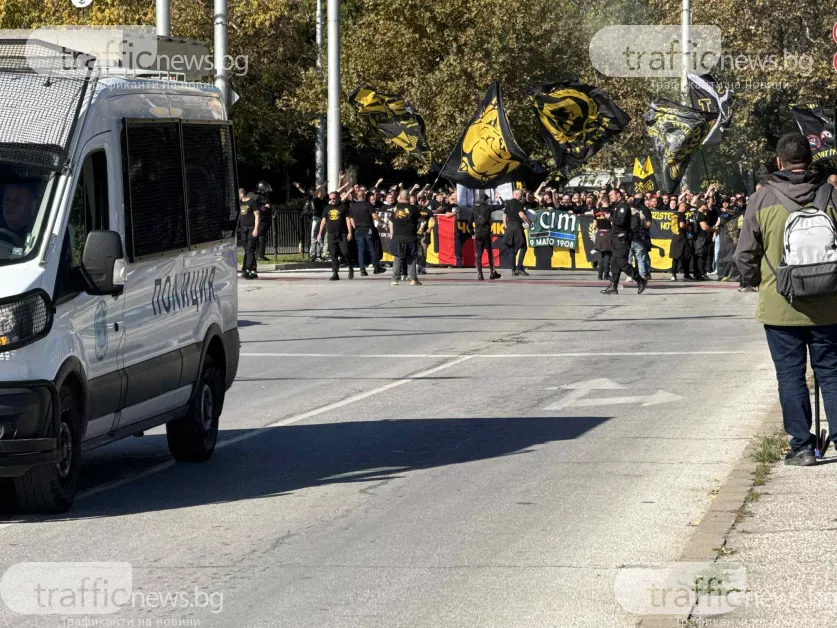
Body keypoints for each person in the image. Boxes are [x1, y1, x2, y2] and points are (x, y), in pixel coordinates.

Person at [735, 132, 837, 466]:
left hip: (781, 304)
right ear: (810, 159)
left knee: (790, 377)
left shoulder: (762, 200)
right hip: (828, 303)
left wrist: (754, 281)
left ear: (779, 161)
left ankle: (802, 447)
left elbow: (745, 254)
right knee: (832, 374)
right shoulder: (830, 195)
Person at [601, 189, 647, 294]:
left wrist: (610, 218)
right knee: (615, 264)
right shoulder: (618, 206)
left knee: (623, 263)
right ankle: (613, 286)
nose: (610, 197)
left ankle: (640, 280)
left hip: (622, 239)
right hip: (616, 238)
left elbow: (621, 221)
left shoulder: (623, 206)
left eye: (612, 195)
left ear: (618, 195)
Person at [317, 191, 354, 281]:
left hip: (342, 233)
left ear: (338, 198)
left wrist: (350, 232)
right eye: (330, 199)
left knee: (345, 252)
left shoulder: (343, 207)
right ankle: (335, 273)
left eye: (334, 198)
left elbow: (348, 220)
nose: (332, 200)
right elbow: (323, 221)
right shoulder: (327, 208)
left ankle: (350, 267)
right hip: (331, 234)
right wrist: (319, 233)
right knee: (333, 254)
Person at [349, 191, 385, 276]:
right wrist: (382, 222)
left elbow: (351, 220)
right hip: (368, 228)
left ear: (357, 197)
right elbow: (374, 216)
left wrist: (356, 228)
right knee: (371, 248)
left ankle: (362, 269)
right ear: (364, 196)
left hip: (358, 229)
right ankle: (376, 267)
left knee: (361, 250)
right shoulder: (368, 205)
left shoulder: (352, 207)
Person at [389, 190, 421, 286]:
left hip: (397, 235)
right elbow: (420, 221)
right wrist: (417, 228)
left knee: (398, 257)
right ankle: (413, 279)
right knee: (411, 257)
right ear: (408, 197)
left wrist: (392, 233)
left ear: (400, 196)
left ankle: (394, 279)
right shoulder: (413, 208)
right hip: (410, 235)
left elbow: (391, 222)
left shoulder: (395, 208)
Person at [471, 193, 501, 281]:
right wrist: (500, 198)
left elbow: (469, 222)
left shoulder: (474, 209)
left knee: (479, 255)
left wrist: (472, 232)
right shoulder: (489, 207)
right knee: (490, 253)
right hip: (486, 233)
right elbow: (502, 205)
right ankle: (492, 272)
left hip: (478, 233)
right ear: (486, 200)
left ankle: (480, 274)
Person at [503, 188, 532, 276]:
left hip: (510, 226)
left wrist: (505, 226)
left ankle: (513, 269)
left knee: (511, 248)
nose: (521, 196)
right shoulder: (518, 203)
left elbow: (504, 216)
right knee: (523, 246)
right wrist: (530, 222)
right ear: (515, 194)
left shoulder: (508, 203)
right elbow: (522, 215)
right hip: (517, 226)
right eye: (520, 194)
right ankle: (519, 267)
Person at [238, 187, 260, 280]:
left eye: (238, 195)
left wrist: (256, 229)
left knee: (250, 248)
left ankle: (247, 270)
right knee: (247, 249)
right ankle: (253, 270)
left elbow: (257, 215)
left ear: (242, 194)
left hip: (251, 228)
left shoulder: (252, 202)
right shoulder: (239, 203)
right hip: (243, 229)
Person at [669, 201, 694, 281]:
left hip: (675, 237)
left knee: (675, 257)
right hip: (681, 237)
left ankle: (673, 275)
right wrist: (688, 227)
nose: (686, 210)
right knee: (687, 255)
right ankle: (686, 274)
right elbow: (682, 225)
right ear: (683, 207)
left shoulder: (674, 214)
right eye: (686, 208)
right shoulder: (681, 215)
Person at [254, 181, 273, 262]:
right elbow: (257, 208)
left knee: (263, 238)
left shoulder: (265, 197)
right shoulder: (257, 197)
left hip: (266, 219)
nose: (267, 191)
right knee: (261, 237)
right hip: (261, 219)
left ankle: (261, 255)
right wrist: (264, 206)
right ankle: (259, 255)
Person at [593, 202, 613, 281]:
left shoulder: (596, 211)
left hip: (599, 233)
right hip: (608, 233)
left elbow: (594, 224)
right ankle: (606, 274)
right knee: (608, 254)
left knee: (601, 255)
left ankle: (600, 275)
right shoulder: (611, 211)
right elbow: (612, 223)